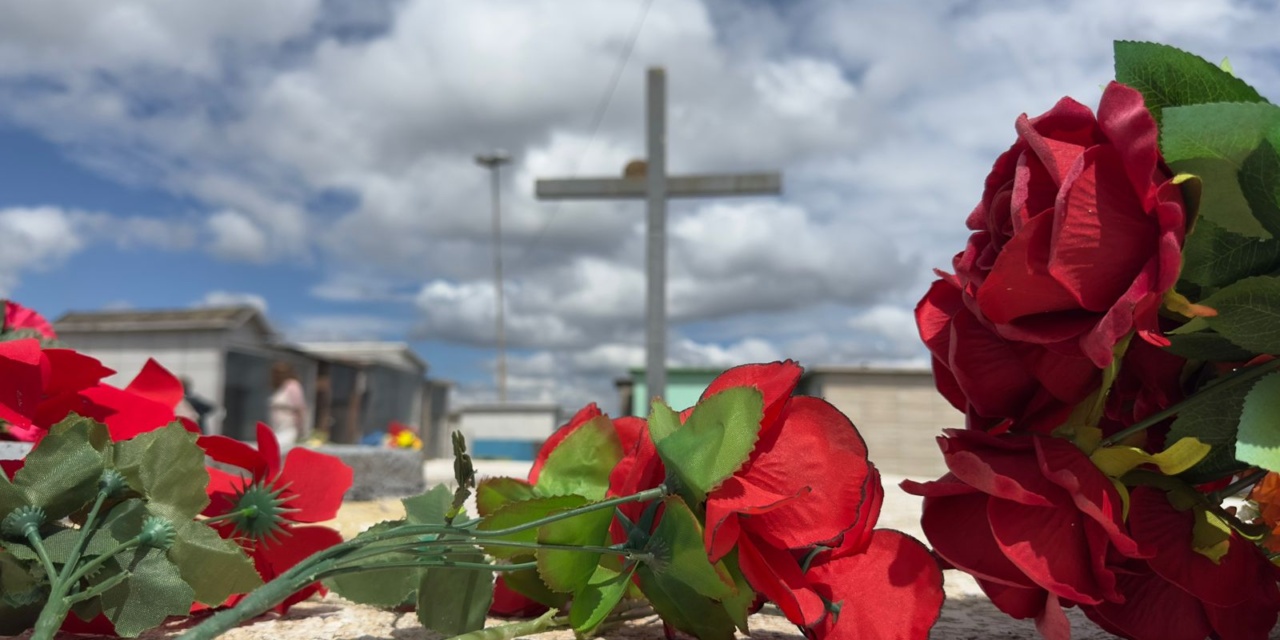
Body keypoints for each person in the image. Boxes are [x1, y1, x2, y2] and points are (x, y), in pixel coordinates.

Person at [269, 362, 308, 448]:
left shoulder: (292, 385)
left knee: (281, 449)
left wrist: (302, 429)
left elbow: (299, 408)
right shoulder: (279, 387)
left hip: (288, 427)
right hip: (277, 427)